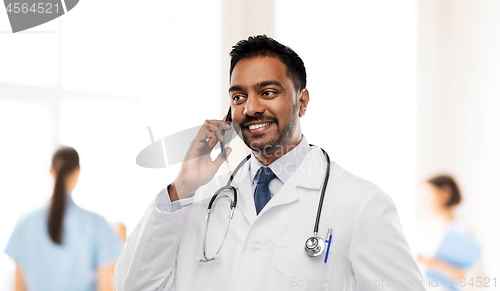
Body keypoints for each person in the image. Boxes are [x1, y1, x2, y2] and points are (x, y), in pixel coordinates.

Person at [115, 35, 426, 290]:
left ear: (301, 101)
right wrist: (182, 187)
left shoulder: (361, 204)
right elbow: (134, 285)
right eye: (238, 97)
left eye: (267, 92)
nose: (251, 108)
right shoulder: (199, 199)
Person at [5, 146, 123, 291]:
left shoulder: (25, 224)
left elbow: (19, 286)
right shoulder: (96, 223)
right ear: (78, 171)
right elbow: (105, 286)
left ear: (51, 171)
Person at [416, 175, 484, 290]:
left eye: (427, 196)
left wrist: (437, 265)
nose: (423, 202)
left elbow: (478, 281)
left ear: (445, 193)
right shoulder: (423, 229)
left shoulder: (463, 232)